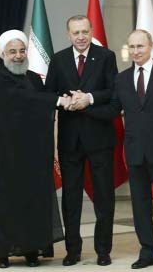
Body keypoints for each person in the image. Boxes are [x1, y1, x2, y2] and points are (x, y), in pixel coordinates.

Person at [84, 29, 153, 269]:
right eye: (131, 47)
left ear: (151, 46)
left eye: (140, 46)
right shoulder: (121, 79)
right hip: (134, 153)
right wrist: (86, 105)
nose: (135, 51)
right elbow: (112, 109)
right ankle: (147, 253)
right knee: (140, 207)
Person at [0, 30, 66, 268]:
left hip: (32, 154)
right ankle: (3, 253)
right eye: (13, 51)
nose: (18, 56)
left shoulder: (34, 78)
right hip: (4, 155)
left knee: (33, 201)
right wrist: (58, 101)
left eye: (21, 50)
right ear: (3, 55)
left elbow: (39, 110)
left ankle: (32, 250)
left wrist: (64, 99)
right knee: (5, 203)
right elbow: (23, 100)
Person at [45, 15, 118, 266]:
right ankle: (72, 251)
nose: (81, 36)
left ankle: (103, 251)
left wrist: (89, 98)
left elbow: (113, 92)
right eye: (76, 32)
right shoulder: (58, 59)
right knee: (71, 198)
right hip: (69, 141)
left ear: (91, 31)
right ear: (68, 34)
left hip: (99, 137)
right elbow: (49, 93)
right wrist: (63, 101)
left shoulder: (106, 57)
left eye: (85, 31)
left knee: (104, 197)